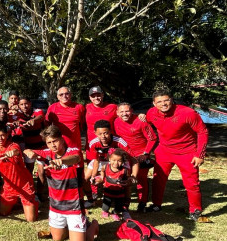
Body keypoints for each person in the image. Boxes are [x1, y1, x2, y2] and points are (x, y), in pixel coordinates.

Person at [24, 126, 99, 241]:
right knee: (57, 238)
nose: (53, 145)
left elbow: (75, 158)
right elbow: (26, 150)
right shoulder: (46, 153)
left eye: (55, 141)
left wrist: (61, 161)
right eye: (49, 142)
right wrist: (29, 151)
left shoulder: (73, 151)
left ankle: (93, 225)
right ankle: (74, 229)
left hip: (74, 206)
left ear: (62, 139)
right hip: (55, 206)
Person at [146, 88, 208, 220]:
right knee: (158, 179)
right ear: (154, 103)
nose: (163, 104)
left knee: (192, 183)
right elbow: (146, 123)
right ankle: (156, 205)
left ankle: (195, 210)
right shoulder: (151, 113)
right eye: (159, 101)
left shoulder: (187, 113)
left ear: (172, 100)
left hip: (187, 152)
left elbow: (202, 132)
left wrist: (200, 154)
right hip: (164, 151)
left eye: (166, 100)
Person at [0, 125, 38, 222]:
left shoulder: (13, 145)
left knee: (31, 219)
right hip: (9, 186)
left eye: (3, 135)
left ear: (7, 135)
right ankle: (17, 202)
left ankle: (32, 201)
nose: (0, 138)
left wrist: (12, 153)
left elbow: (16, 151)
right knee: (3, 213)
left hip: (24, 185)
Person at [114, 102, 158, 212]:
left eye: (127, 111)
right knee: (123, 178)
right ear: (117, 113)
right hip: (124, 155)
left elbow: (152, 138)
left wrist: (146, 153)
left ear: (132, 111)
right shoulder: (116, 122)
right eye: (122, 112)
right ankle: (124, 203)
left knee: (141, 179)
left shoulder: (141, 121)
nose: (124, 114)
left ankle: (142, 203)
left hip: (140, 156)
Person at [85, 120, 139, 204]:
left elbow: (134, 160)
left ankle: (126, 203)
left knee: (127, 181)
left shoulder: (119, 141)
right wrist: (93, 176)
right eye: (100, 134)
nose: (103, 136)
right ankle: (91, 199)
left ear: (110, 131)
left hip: (118, 161)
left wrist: (133, 176)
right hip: (101, 161)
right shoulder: (93, 143)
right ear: (95, 133)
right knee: (85, 178)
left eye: (106, 133)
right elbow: (96, 160)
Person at [85, 86, 117, 161]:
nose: (96, 98)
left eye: (98, 95)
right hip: (92, 144)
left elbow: (125, 113)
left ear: (102, 95)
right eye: (93, 96)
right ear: (90, 97)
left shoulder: (112, 107)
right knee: (93, 169)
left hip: (109, 144)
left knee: (110, 169)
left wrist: (140, 115)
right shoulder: (86, 108)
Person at [98, 149, 131, 221]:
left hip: (119, 192)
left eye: (119, 161)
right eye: (113, 160)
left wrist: (126, 182)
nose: (116, 163)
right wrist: (102, 177)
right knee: (106, 204)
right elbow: (102, 171)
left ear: (123, 161)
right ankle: (105, 211)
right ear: (109, 159)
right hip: (108, 190)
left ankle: (115, 213)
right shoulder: (106, 167)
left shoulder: (124, 170)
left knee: (119, 206)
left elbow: (127, 179)